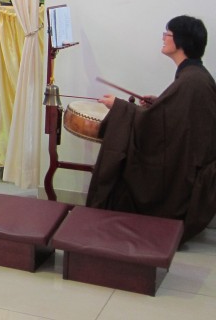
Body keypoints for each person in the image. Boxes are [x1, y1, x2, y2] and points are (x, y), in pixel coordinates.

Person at [87, 15, 216, 242]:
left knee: (122, 162)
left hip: (186, 173)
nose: (164, 38)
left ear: (181, 42)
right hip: (191, 162)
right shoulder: (195, 76)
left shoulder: (191, 82)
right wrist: (158, 103)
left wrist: (119, 107)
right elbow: (174, 118)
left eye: (168, 34)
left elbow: (160, 126)